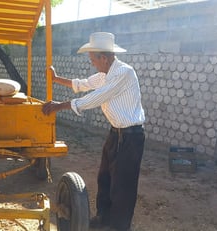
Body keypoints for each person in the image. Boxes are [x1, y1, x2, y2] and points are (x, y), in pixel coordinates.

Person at [42, 32, 145, 231]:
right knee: (104, 178)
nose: (92, 64)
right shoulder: (105, 74)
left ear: (104, 58)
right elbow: (83, 84)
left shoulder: (124, 73)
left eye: (93, 60)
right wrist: (56, 79)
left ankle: (119, 227)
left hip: (131, 137)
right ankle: (104, 218)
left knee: (123, 186)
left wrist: (59, 106)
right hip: (116, 134)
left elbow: (97, 97)